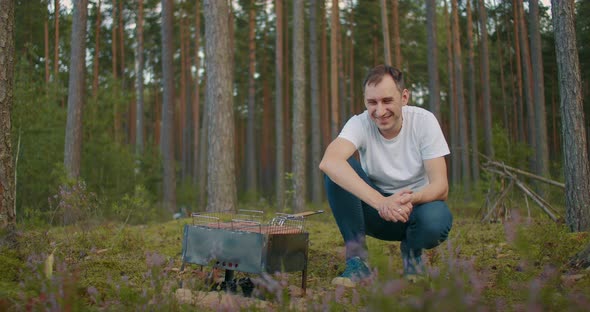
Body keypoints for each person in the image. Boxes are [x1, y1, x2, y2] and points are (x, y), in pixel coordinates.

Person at [319, 64, 453, 287]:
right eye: (372, 102)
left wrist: (409, 199)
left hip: (415, 210)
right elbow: (329, 161)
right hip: (376, 212)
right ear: (365, 101)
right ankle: (357, 261)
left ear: (404, 97)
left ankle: (412, 256)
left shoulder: (424, 121)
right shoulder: (359, 123)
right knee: (338, 171)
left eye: (387, 101)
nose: (380, 111)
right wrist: (382, 202)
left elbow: (441, 187)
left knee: (435, 220)